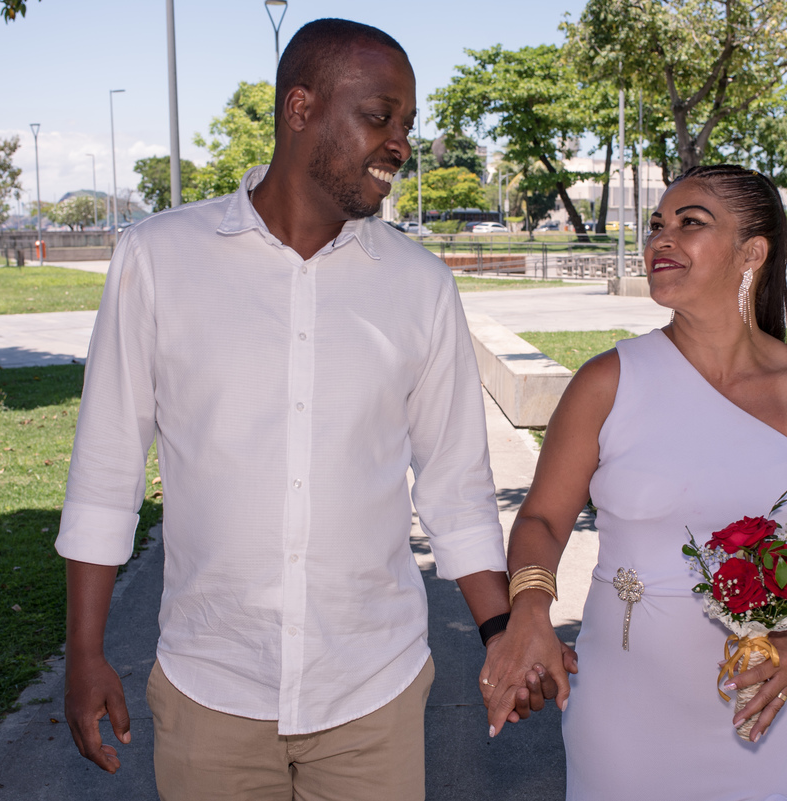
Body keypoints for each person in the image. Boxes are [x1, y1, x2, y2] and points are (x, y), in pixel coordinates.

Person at [56, 19, 559, 801]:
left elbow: (456, 489)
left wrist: (500, 633)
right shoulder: (158, 258)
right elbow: (106, 468)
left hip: (373, 690)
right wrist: (84, 652)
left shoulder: (421, 286)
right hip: (210, 685)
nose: (399, 143)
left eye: (406, 123)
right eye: (379, 116)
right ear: (300, 108)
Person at [479, 165, 787, 799]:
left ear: (752, 252)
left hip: (762, 700)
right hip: (622, 705)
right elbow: (541, 519)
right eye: (656, 225)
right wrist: (530, 609)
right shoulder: (607, 381)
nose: (660, 239)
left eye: (689, 222)